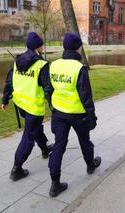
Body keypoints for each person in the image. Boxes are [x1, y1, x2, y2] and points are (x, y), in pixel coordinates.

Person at [47, 32, 101, 197]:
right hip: (78, 114)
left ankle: (55, 184)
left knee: (58, 146)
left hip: (59, 113)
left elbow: (48, 90)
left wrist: (53, 106)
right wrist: (91, 117)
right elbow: (86, 96)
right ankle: (90, 165)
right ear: (78, 47)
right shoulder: (79, 68)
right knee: (85, 141)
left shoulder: (53, 65)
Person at [1, 32, 53, 181]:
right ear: (38, 47)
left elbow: (9, 81)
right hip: (34, 107)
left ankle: (44, 148)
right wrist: (53, 107)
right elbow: (48, 88)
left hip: (21, 105)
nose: (43, 47)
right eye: (42, 45)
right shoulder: (41, 65)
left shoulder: (17, 61)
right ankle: (17, 168)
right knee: (28, 136)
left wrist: (5, 99)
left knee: (34, 128)